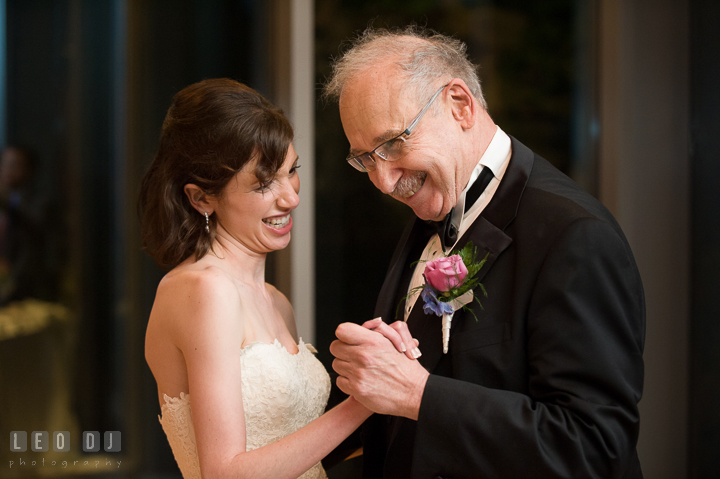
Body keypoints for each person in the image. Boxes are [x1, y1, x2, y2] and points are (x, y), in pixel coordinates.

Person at [325, 27, 645, 478]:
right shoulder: (439, 203)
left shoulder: (576, 236)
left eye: (394, 143)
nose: (384, 181)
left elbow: (593, 447)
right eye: (365, 158)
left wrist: (419, 395)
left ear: (460, 105)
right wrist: (373, 369)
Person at [139, 78, 417, 479]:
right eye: (264, 183)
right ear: (202, 198)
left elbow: (296, 450)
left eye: (292, 171)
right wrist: (365, 398)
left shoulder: (276, 301)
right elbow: (225, 473)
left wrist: (376, 360)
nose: (290, 197)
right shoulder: (204, 290)